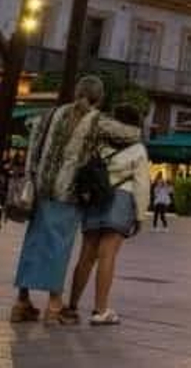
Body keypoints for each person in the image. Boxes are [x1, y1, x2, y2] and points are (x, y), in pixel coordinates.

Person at [10, 76, 141, 325]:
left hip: (40, 191)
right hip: (68, 194)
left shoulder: (50, 114)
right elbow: (132, 134)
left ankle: (22, 302)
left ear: (75, 92)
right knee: (59, 247)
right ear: (98, 97)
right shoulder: (95, 120)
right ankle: (54, 305)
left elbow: (33, 146)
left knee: (34, 244)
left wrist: (32, 179)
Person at [65, 104, 150, 326]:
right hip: (121, 198)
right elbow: (141, 185)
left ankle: (71, 307)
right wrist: (140, 215)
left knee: (86, 255)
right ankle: (100, 310)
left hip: (96, 198)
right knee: (108, 255)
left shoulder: (99, 141)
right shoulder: (138, 148)